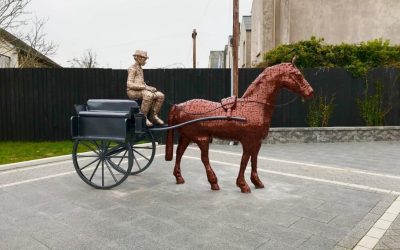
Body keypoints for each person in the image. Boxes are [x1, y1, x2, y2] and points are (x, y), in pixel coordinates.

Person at [127, 50, 165, 126]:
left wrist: (149, 87)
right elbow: (129, 84)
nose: (145, 61)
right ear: (138, 58)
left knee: (160, 95)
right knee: (148, 95)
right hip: (132, 91)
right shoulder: (132, 68)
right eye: (144, 59)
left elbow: (140, 83)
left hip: (141, 90)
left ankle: (153, 116)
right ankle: (142, 118)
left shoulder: (140, 68)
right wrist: (145, 87)